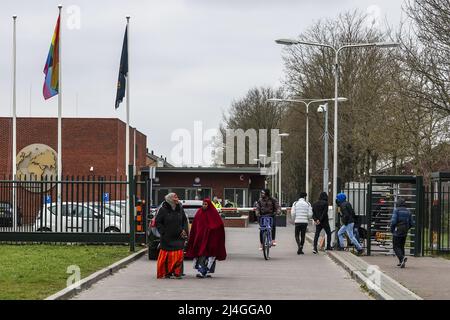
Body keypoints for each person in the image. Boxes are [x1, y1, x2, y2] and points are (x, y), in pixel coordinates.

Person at [186, 199, 227, 278]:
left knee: (210, 255)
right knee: (201, 254)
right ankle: (202, 270)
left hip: (211, 239)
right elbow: (195, 226)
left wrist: (211, 230)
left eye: (206, 204)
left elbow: (218, 225)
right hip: (200, 238)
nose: (204, 206)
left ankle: (207, 271)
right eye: (203, 204)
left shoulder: (213, 213)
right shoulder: (199, 213)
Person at [155, 193, 189, 279]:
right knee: (167, 256)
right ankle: (167, 272)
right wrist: (163, 232)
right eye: (175, 197)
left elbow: (184, 220)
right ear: (170, 199)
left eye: (177, 197)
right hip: (167, 237)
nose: (177, 199)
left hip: (178, 236)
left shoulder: (180, 208)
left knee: (178, 256)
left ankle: (177, 273)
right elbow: (158, 222)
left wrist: (184, 230)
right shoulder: (163, 209)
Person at [390, 198, 414, 268]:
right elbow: (411, 223)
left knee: (395, 246)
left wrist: (392, 230)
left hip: (398, 229)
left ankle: (402, 258)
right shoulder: (408, 211)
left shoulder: (396, 210)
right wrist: (407, 228)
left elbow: (393, 222)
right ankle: (401, 262)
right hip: (405, 230)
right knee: (401, 246)